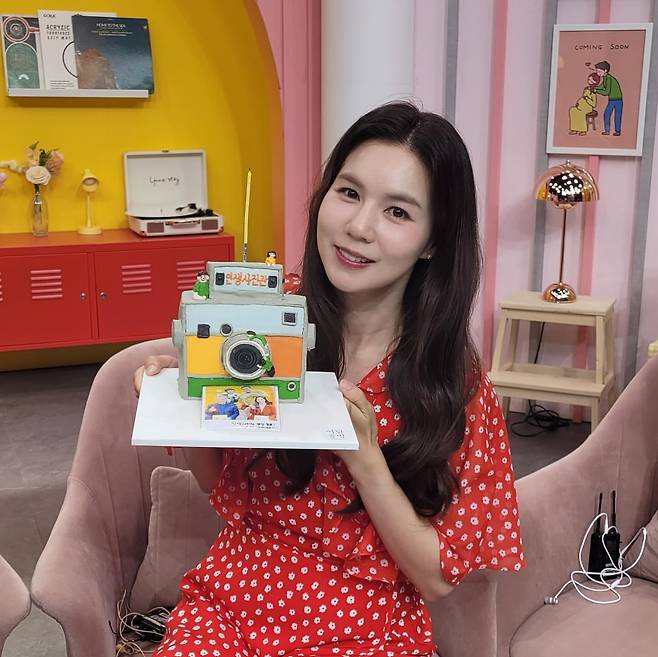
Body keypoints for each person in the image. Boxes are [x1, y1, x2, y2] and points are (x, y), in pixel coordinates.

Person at [134, 101, 525, 657]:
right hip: (231, 605)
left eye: (397, 212)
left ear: (433, 241)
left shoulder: (452, 382)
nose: (358, 227)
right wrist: (192, 399)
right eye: (348, 192)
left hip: (368, 627)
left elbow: (438, 578)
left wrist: (364, 458)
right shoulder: (270, 317)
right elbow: (215, 484)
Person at [593, 60, 623, 136]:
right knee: (607, 114)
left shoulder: (609, 78)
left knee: (617, 116)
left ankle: (617, 131)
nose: (598, 73)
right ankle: (607, 130)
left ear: (605, 71)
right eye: (597, 71)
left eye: (599, 71)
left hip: (617, 100)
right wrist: (595, 87)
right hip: (612, 99)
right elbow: (602, 86)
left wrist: (596, 91)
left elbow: (606, 92)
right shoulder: (605, 77)